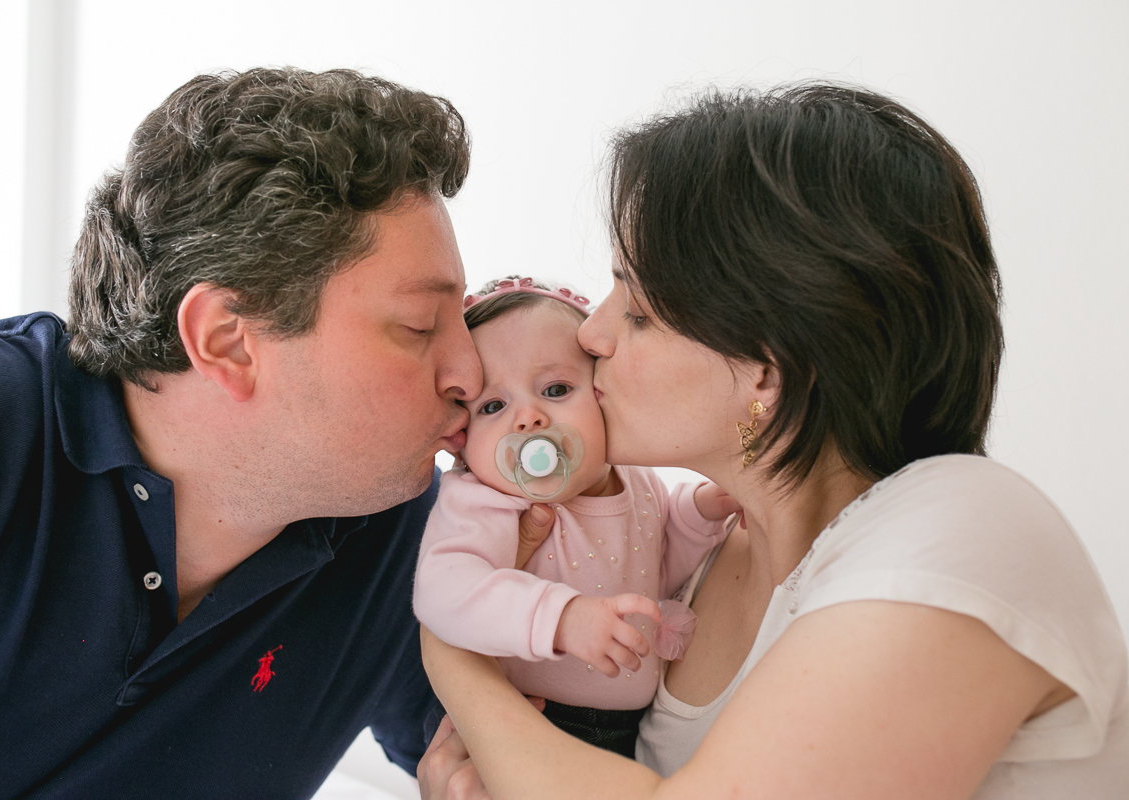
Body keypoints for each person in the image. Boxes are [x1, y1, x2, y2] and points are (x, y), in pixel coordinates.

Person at [417, 83, 1129, 799]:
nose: (591, 334)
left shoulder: (964, 527)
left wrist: (456, 662)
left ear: (767, 367)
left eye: (636, 311)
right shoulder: (696, 565)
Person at [0, 67, 486, 799]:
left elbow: (523, 765)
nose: (471, 374)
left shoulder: (403, 541)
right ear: (227, 340)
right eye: (419, 326)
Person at [412, 276, 736, 756]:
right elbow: (444, 591)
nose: (528, 419)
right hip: (529, 716)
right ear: (462, 441)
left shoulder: (634, 477)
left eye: (556, 388)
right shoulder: (486, 498)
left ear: (602, 392)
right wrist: (560, 619)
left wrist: (701, 511)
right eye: (494, 406)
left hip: (628, 726)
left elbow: (659, 566)